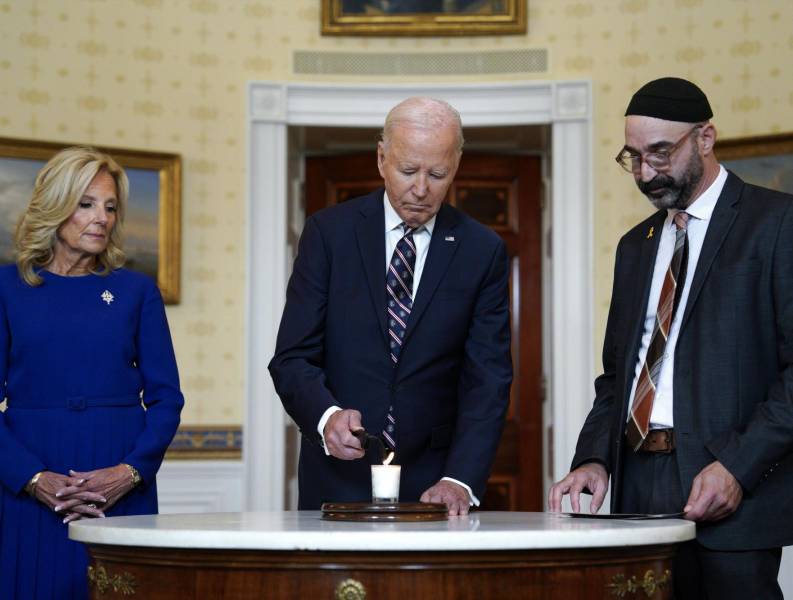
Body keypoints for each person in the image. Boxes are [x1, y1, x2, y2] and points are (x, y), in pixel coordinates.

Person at [548, 77, 793, 598]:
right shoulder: (635, 246)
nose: (645, 173)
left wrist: (738, 467)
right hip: (638, 489)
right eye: (632, 157)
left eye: (660, 153)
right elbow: (618, 376)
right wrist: (593, 458)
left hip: (730, 488)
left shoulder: (776, 224)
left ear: (705, 138)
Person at [269, 97, 512, 515]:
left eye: (437, 174)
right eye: (407, 171)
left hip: (436, 482)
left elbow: (487, 379)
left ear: (455, 165)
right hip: (338, 477)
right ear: (382, 158)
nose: (421, 189)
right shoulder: (329, 235)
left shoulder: (481, 250)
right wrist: (326, 417)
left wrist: (460, 478)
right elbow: (292, 357)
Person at [0, 147, 184, 599]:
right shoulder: (1, 288)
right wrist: (32, 478)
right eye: (86, 204)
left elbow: (166, 399)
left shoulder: (136, 291)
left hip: (121, 478)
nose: (101, 218)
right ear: (55, 205)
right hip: (29, 480)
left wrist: (130, 472)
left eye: (110, 207)